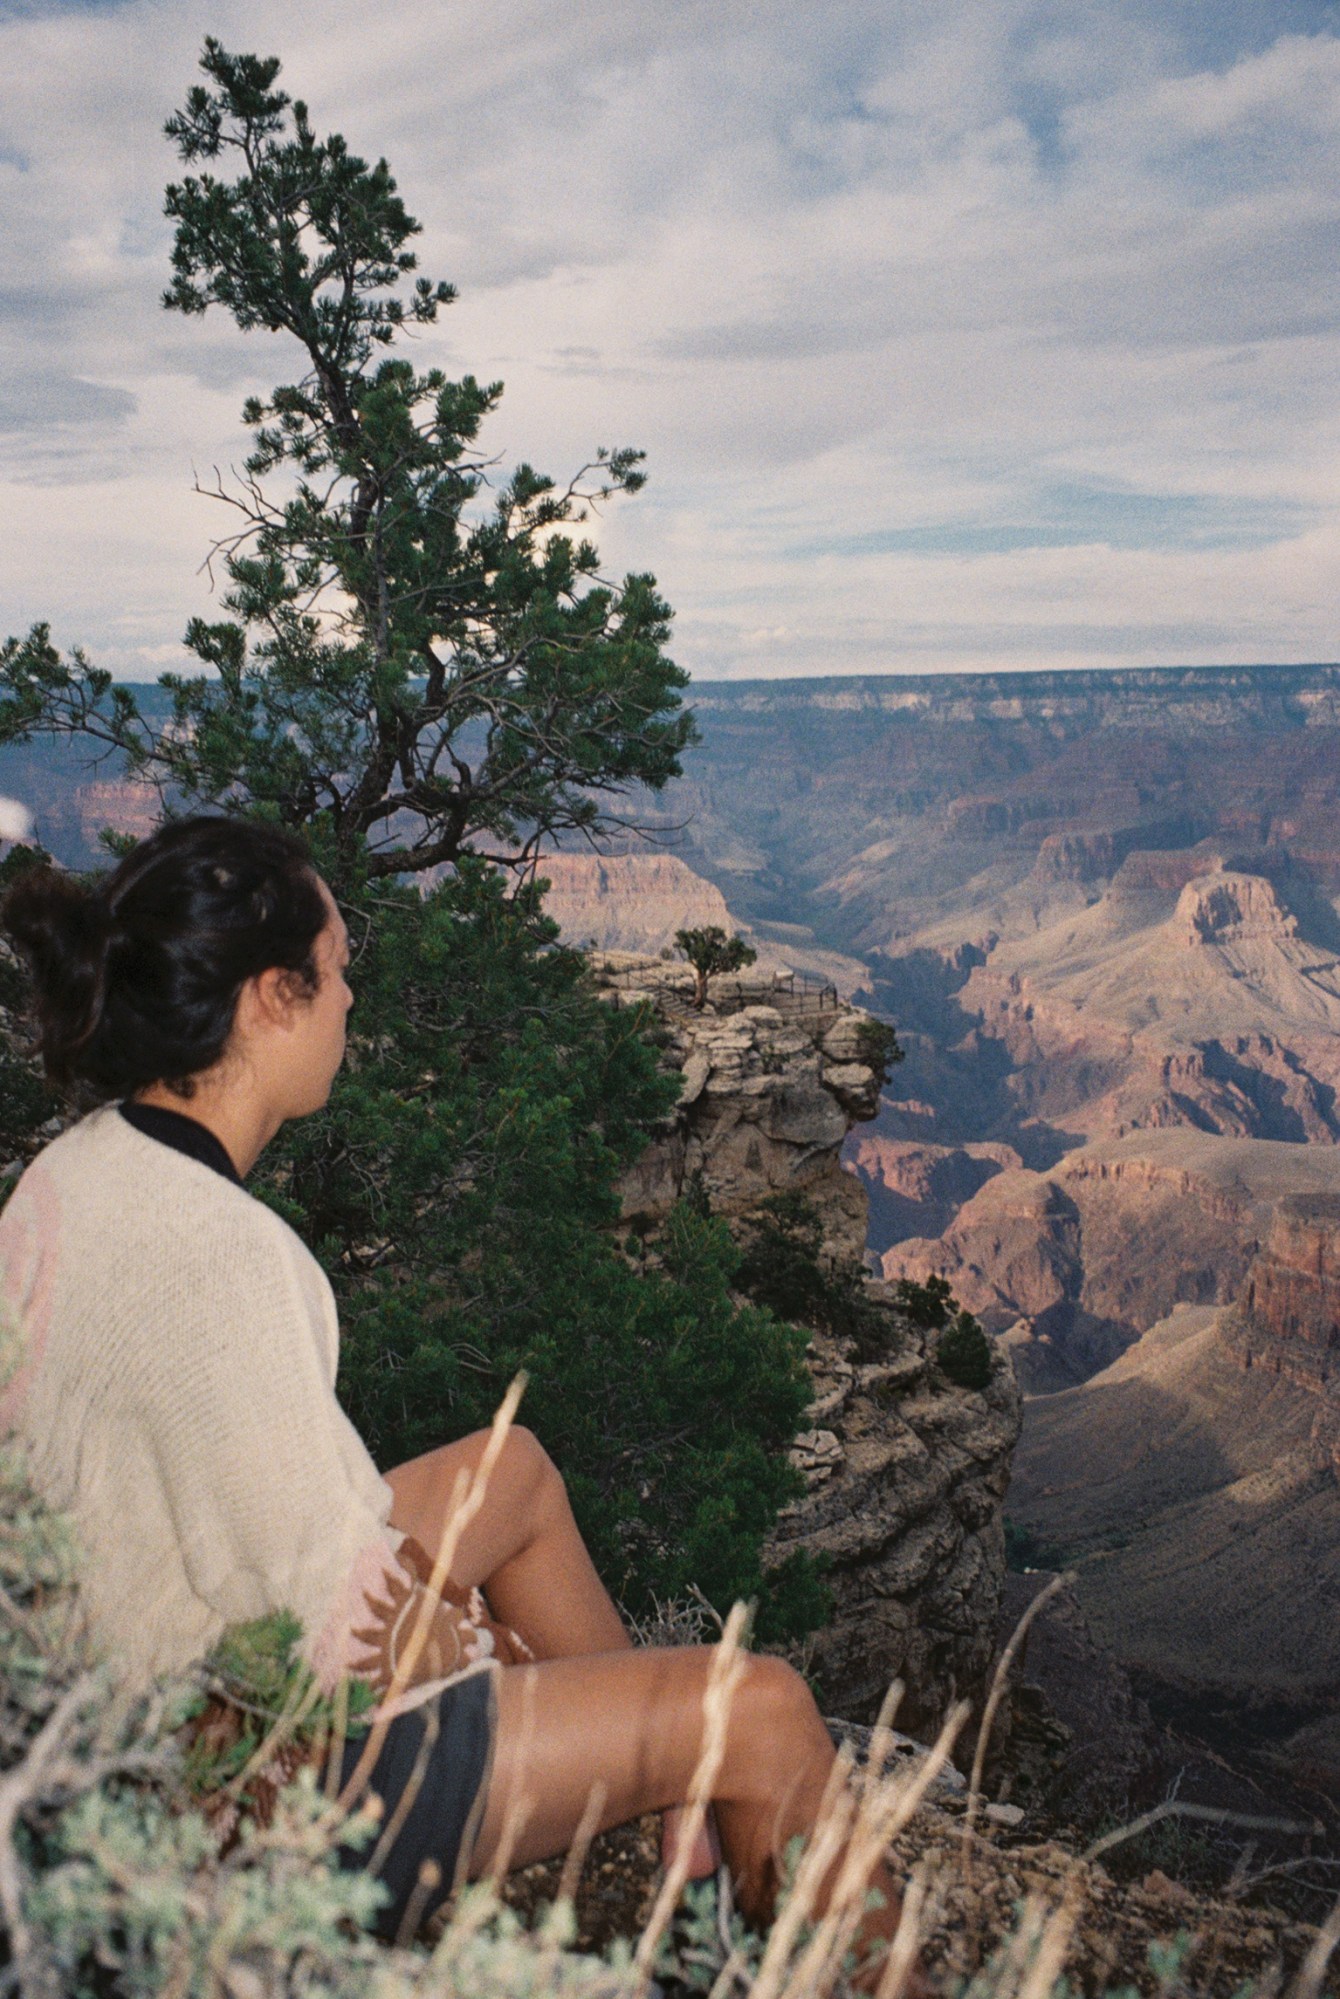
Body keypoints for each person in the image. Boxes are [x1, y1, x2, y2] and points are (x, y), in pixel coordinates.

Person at [0, 816, 914, 1976]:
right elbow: (336, 1642)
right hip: (230, 1805)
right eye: (335, 973)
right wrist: (471, 1644)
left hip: (104, 1701)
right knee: (764, 1705)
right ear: (267, 999)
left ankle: (664, 1826)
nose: (350, 1005)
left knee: (511, 1471)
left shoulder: (74, 1168)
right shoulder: (228, 1256)